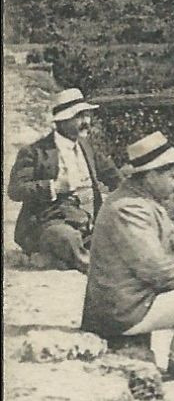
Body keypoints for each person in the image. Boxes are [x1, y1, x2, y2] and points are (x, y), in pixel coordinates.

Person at [81, 132, 174, 383]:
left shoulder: (138, 198)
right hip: (119, 312)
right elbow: (153, 267)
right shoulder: (128, 209)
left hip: (130, 297)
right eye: (173, 176)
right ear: (151, 175)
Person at [6, 87, 124, 271]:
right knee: (65, 237)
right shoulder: (35, 152)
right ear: (61, 121)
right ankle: (93, 266)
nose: (86, 121)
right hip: (49, 222)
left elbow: (112, 175)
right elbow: (15, 190)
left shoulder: (87, 147)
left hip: (88, 220)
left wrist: (131, 194)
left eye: (87, 115)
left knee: (121, 230)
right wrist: (52, 187)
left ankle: (58, 258)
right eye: (79, 116)